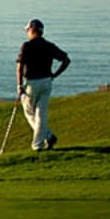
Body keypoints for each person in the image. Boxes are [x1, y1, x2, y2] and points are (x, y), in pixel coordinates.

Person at [16, 19, 71, 151]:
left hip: (32, 83)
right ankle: (47, 137)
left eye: (28, 30)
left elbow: (19, 68)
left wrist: (19, 85)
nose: (27, 33)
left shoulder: (26, 46)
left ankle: (39, 144)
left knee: (30, 113)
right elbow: (66, 60)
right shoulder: (49, 45)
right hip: (47, 82)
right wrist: (55, 75)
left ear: (32, 30)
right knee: (41, 114)